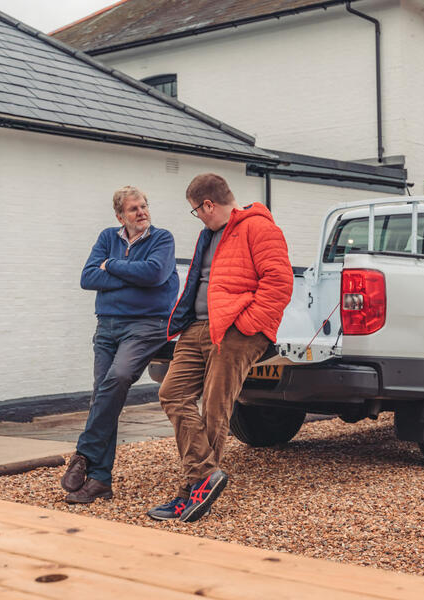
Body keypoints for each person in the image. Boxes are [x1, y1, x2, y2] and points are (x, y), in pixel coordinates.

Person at [148, 173, 292, 523]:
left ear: (208, 204)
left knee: (215, 408)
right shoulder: (208, 235)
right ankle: (205, 476)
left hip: (234, 331)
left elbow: (279, 283)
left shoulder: (259, 228)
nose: (197, 216)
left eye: (196, 210)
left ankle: (190, 493)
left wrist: (245, 325)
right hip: (197, 328)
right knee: (172, 393)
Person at [62, 186, 179, 503]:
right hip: (107, 326)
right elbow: (88, 278)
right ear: (120, 216)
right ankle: (100, 480)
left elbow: (154, 275)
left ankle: (84, 453)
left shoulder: (162, 239)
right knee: (104, 395)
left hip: (147, 326)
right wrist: (132, 276)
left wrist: (111, 266)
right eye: (133, 209)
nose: (142, 212)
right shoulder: (107, 238)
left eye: (144, 206)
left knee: (118, 378)